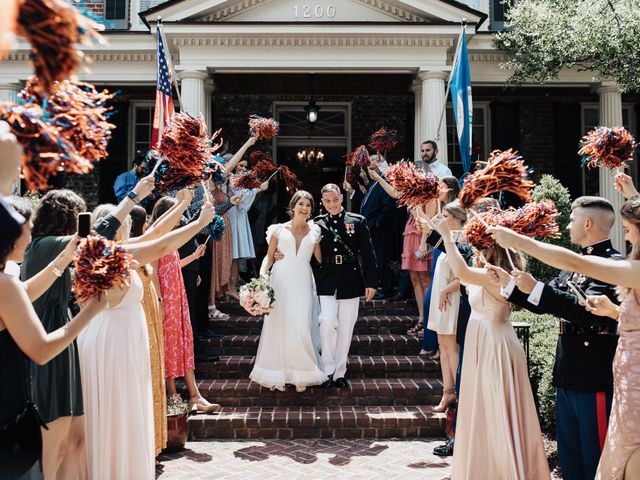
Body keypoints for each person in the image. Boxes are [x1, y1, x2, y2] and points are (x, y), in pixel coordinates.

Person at [489, 182, 640, 480]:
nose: (567, 224)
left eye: (571, 219)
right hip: (568, 370)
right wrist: (510, 285)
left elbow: (583, 314)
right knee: (570, 459)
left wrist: (535, 281)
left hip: (593, 374)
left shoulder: (613, 264)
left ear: (587, 223)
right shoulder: (571, 270)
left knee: (595, 458)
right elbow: (549, 303)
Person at [77, 197, 216, 479]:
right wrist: (200, 222)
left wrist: (182, 205)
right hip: (115, 343)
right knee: (118, 409)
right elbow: (161, 243)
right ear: (119, 229)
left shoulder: (101, 252)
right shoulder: (112, 255)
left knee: (111, 410)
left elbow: (155, 235)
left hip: (111, 338)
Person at [0, 127, 107, 479]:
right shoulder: (4, 283)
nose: (29, 233)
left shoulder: (10, 280)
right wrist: (89, 313)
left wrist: (65, 257)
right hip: (10, 397)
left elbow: (29, 290)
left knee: (69, 442)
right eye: (23, 226)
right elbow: (42, 349)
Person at [426, 211, 550, 479]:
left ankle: (502, 470)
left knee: (495, 405)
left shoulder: (498, 274)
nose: (475, 248)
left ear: (492, 247)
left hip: (495, 344)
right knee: (481, 406)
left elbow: (460, 271)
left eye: (480, 243)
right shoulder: (486, 269)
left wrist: (446, 236)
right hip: (480, 340)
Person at [249, 191, 328, 391]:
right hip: (281, 280)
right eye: (301, 204)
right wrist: (262, 274)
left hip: (302, 280)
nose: (304, 208)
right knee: (281, 325)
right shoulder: (278, 230)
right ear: (293, 207)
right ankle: (284, 372)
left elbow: (320, 259)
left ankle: (303, 372)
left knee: (301, 326)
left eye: (308, 205)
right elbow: (268, 257)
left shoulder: (315, 231)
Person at [151, 197, 222, 413]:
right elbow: (153, 272)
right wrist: (160, 302)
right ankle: (173, 395)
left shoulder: (170, 239)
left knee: (183, 343)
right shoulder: (155, 239)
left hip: (178, 296)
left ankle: (195, 396)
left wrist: (192, 257)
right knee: (170, 345)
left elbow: (172, 265)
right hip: (167, 299)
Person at [313, 184, 378, 388]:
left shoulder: (357, 221)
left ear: (341, 198)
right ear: (322, 202)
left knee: (346, 328)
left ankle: (339, 373)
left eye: (335, 199)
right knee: (327, 322)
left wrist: (372, 282)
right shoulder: (317, 223)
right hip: (327, 279)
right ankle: (327, 369)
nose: (331, 204)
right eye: (327, 201)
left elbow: (368, 253)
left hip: (350, 279)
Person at [228, 159, 269, 298]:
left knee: (236, 254)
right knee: (233, 252)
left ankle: (231, 286)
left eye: (245, 166)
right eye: (241, 165)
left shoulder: (240, 180)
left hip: (238, 216)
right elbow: (242, 198)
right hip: (231, 215)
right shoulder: (231, 178)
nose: (243, 169)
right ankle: (229, 287)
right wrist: (258, 189)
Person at [358, 155, 396, 299]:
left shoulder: (385, 183)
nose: (370, 169)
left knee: (382, 259)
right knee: (376, 259)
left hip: (381, 229)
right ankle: (379, 285)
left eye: (373, 166)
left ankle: (386, 289)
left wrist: (378, 223)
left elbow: (389, 206)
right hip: (372, 228)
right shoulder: (374, 185)